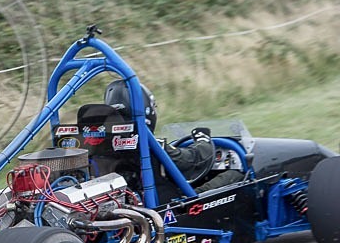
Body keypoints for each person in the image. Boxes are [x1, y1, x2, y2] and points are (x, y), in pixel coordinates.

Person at [103, 81, 243, 192]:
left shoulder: (101, 145)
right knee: (236, 175)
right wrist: (203, 139)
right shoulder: (150, 145)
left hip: (131, 207)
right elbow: (194, 160)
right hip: (170, 210)